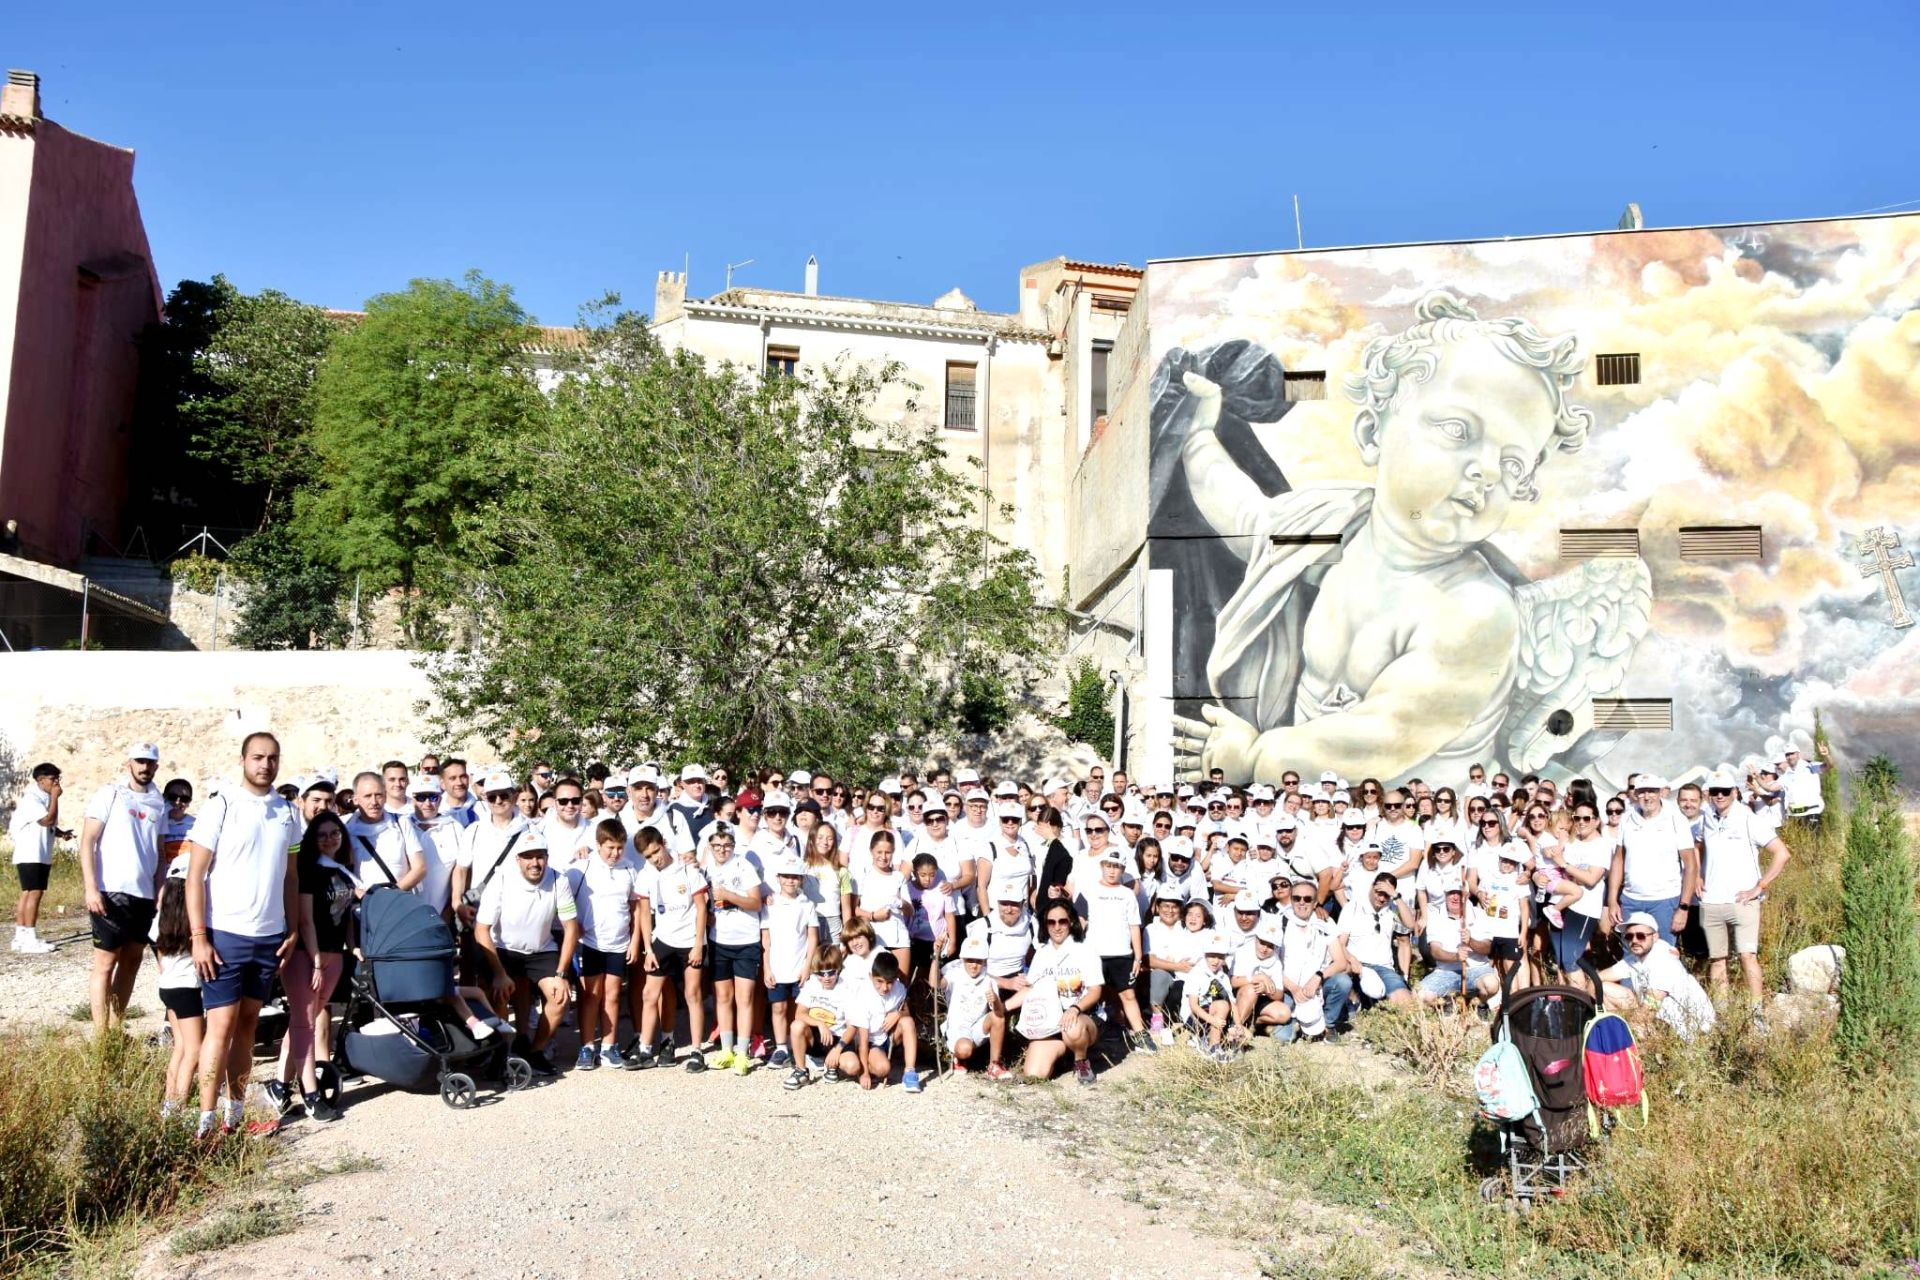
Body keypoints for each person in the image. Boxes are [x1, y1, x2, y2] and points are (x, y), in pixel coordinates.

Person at [184, 732, 302, 1138]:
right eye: (257, 757)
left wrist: (294, 927)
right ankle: (205, 1121)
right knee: (220, 1026)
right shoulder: (221, 805)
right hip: (225, 934)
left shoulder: (287, 811)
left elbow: (291, 875)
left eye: (272, 757)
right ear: (243, 760)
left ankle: (234, 1114)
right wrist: (199, 935)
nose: (265, 764)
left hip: (268, 937)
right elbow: (194, 876)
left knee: (249, 1023)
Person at [80, 742, 168, 1034]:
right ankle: (101, 1034)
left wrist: (159, 891)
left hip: (143, 895)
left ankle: (116, 1028)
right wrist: (91, 888)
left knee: (131, 961)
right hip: (110, 890)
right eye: (140, 761)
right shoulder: (111, 793)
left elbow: (159, 851)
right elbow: (88, 841)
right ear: (129, 762)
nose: (145, 768)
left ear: (156, 765)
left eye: (150, 763)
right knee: (105, 962)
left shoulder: (159, 802)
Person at [474, 832, 578, 1076]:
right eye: (528, 857)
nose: (535, 863)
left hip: (541, 949)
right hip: (504, 949)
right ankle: (503, 1052)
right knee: (500, 993)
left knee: (560, 997)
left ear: (547, 857)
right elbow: (481, 930)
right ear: (518, 860)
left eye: (540, 856)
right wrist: (499, 973)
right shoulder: (500, 879)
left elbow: (571, 928)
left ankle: (534, 1051)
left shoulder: (558, 879)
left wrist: (562, 973)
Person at [279, 811, 354, 1121]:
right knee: (305, 1023)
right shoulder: (309, 870)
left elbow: (347, 912)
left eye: (334, 833)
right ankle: (310, 1092)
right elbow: (305, 919)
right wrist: (316, 960)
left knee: (301, 1021)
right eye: (322, 835)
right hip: (307, 955)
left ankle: (280, 1085)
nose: (329, 840)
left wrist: (353, 946)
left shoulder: (344, 868)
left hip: (334, 952)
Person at [1697, 768, 1792, 1003]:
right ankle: (1723, 1015)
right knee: (1717, 959)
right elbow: (1697, 845)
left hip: (1743, 901)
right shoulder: (1706, 817)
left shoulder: (1748, 818)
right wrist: (1698, 876)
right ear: (1708, 794)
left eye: (1725, 791)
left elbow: (1782, 853)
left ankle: (1756, 1011)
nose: (1720, 796)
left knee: (1747, 955)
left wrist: (1759, 887)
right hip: (1712, 900)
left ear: (1734, 792)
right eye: (1715, 791)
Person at [567, 819, 644, 1070]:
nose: (615, 853)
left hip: (619, 943)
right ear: (598, 845)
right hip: (589, 943)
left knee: (612, 995)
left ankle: (609, 1047)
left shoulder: (630, 869)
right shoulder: (582, 868)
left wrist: (634, 941)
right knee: (590, 995)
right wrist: (573, 925)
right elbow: (563, 899)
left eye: (620, 848)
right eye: (609, 847)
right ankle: (587, 1047)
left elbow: (636, 910)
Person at [632, 827, 710, 1072]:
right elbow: (644, 912)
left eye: (656, 851)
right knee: (649, 993)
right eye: (648, 855)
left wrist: (698, 944)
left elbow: (701, 908)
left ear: (663, 843)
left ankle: (697, 1051)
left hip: (690, 940)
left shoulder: (687, 868)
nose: (655, 858)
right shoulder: (646, 875)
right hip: (663, 940)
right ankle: (646, 1049)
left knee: (692, 994)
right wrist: (648, 949)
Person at [1010, 901, 1103, 1086]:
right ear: (1045, 925)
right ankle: (1063, 1055)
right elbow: (1030, 989)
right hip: (1049, 1022)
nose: (1057, 927)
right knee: (1034, 1074)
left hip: (1081, 1016)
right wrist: (1001, 1007)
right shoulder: (1041, 953)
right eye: (1051, 922)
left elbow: (1095, 991)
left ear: (1071, 922)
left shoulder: (1085, 950)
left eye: (1063, 921)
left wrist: (1075, 1009)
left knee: (1073, 1027)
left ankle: (1081, 1060)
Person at [705, 824, 767, 1076]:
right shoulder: (706, 868)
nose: (722, 850)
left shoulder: (745, 866)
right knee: (722, 997)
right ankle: (727, 1050)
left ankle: (743, 1052)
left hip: (745, 940)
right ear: (710, 846)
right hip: (719, 939)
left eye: (727, 845)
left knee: (744, 998)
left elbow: (755, 902)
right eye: (717, 846)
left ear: (734, 845)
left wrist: (729, 895)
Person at [1074, 848, 1152, 1054]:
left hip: (1122, 955)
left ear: (1123, 870)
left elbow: (1134, 926)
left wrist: (1137, 955)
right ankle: (1085, 1038)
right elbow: (1079, 923)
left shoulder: (1127, 894)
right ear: (1102, 867)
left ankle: (1140, 1035)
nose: (1112, 871)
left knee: (1128, 996)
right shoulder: (1088, 890)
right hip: (1094, 955)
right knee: (1091, 996)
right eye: (1108, 865)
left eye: (1116, 867)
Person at [1607, 776, 1699, 947]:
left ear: (1660, 793)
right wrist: (1612, 900)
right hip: (1631, 900)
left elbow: (1691, 866)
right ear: (1635, 794)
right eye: (1642, 792)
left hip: (1665, 900)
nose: (1647, 796)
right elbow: (1618, 860)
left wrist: (1684, 907)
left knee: (1663, 953)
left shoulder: (1675, 818)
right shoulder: (1627, 818)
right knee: (1631, 953)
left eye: (1652, 791)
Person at [1598, 911, 1717, 1040]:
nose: (1634, 940)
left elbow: (1649, 1010)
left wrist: (1622, 1024)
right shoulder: (1635, 958)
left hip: (1690, 1031)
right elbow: (1597, 980)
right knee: (1603, 989)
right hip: (1661, 1021)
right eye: (1629, 936)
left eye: (1641, 936)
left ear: (1655, 937)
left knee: (1635, 1026)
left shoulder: (1663, 961)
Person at [150, 863, 204, 1117]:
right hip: (186, 988)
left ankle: (168, 1101)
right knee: (194, 1048)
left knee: (180, 1046)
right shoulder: (192, 922)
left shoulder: (162, 919)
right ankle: (179, 1104)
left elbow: (158, 951)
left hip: (168, 985)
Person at [761, 852, 819, 1072]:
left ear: (801, 879)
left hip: (799, 967)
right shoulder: (771, 904)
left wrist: (807, 966)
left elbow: (812, 937)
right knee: (778, 1008)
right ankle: (781, 1047)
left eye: (795, 877)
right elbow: (765, 939)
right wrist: (766, 967)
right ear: (778, 878)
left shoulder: (808, 905)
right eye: (785, 876)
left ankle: (800, 1048)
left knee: (799, 1010)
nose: (790, 881)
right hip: (776, 965)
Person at [9, 761, 62, 953]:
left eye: (57, 778)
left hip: (35, 852)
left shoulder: (41, 798)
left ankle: (21, 936)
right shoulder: (33, 799)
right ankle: (30, 937)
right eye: (52, 779)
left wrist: (61, 833)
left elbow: (46, 825)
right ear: (40, 780)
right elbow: (47, 820)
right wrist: (56, 797)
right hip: (32, 853)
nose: (56, 782)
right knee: (35, 893)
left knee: (28, 892)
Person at [850, 950, 921, 1091]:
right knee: (883, 1069)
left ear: (896, 979)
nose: (884, 987)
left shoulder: (899, 989)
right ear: (871, 977)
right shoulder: (863, 995)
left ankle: (910, 1072)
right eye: (880, 981)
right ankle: (864, 1066)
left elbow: (906, 1012)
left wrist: (898, 1014)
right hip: (870, 1042)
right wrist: (864, 1073)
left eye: (890, 983)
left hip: (887, 1038)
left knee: (908, 1022)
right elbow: (863, 1040)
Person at [939, 933, 1007, 1077]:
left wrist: (995, 1000)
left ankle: (994, 1065)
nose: (974, 965)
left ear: (984, 961)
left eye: (978, 961)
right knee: (964, 1049)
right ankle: (957, 1057)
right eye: (969, 960)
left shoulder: (989, 979)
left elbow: (1000, 1014)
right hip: (958, 1028)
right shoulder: (954, 974)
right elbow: (935, 984)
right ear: (962, 959)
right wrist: (935, 957)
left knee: (997, 1017)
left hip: (976, 1027)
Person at [785, 943, 850, 1088]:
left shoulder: (846, 988)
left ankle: (832, 1064)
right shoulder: (812, 984)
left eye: (831, 972)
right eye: (821, 973)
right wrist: (820, 1024)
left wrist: (838, 1049)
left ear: (839, 969)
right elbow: (799, 1014)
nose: (826, 978)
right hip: (816, 1036)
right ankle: (801, 1071)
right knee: (796, 1026)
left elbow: (852, 1026)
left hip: (836, 1038)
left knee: (852, 1066)